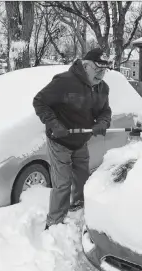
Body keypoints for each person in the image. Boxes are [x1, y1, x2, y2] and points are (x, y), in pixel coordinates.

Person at [33, 48, 112, 230]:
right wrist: (54, 124)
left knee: (83, 177)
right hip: (60, 141)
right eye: (98, 68)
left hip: (81, 140)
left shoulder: (102, 88)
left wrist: (102, 121)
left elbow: (105, 111)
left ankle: (78, 204)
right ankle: (54, 222)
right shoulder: (64, 82)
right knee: (62, 183)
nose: (101, 74)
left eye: (104, 70)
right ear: (85, 66)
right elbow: (40, 102)